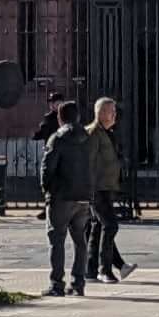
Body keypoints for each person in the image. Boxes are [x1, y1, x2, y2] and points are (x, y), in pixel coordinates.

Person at [38, 100, 99, 295]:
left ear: (59, 117)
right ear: (78, 117)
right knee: (79, 240)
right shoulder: (88, 138)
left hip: (61, 196)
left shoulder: (57, 139)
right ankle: (78, 282)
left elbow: (47, 169)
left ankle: (57, 283)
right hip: (83, 196)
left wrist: (47, 190)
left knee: (57, 239)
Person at [82, 96, 133, 279]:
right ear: (102, 113)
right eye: (111, 111)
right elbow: (89, 162)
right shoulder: (94, 133)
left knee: (97, 227)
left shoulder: (106, 132)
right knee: (110, 225)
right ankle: (105, 270)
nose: (114, 115)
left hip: (105, 187)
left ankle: (90, 269)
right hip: (97, 189)